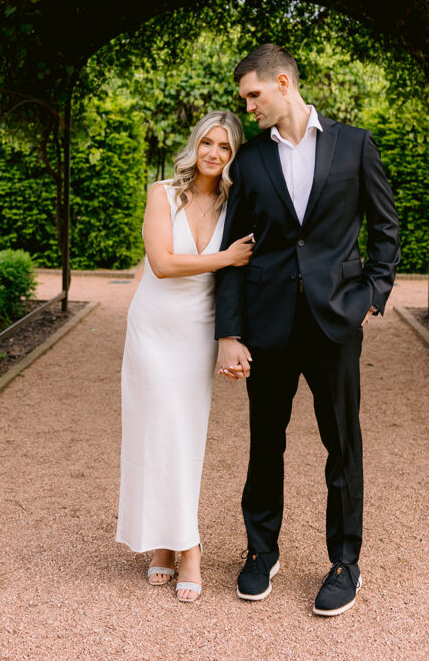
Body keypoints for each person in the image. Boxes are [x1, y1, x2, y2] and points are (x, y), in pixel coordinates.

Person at [215, 44, 400, 616]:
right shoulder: (247, 163)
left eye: (253, 96)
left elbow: (386, 227)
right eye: (245, 99)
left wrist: (374, 291)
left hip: (335, 322)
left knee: (342, 444)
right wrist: (230, 331)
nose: (248, 108)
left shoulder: (355, 144)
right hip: (268, 325)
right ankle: (261, 552)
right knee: (265, 443)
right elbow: (233, 252)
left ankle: (345, 561)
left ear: (283, 82)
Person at [116, 110, 253, 602]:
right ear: (195, 146)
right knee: (155, 432)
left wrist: (235, 338)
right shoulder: (162, 193)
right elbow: (162, 263)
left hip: (198, 329)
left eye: (225, 147)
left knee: (185, 434)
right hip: (152, 327)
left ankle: (178, 545)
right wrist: (226, 256)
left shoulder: (235, 204)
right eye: (207, 143)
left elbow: (244, 276)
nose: (213, 153)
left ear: (233, 156)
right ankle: (173, 545)